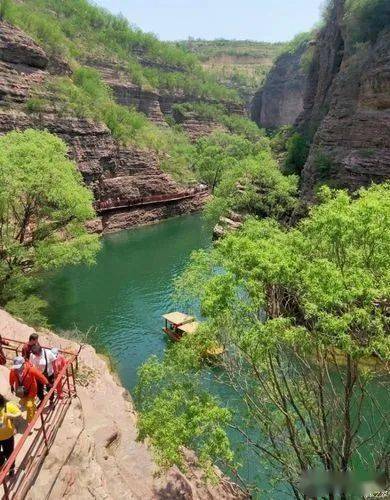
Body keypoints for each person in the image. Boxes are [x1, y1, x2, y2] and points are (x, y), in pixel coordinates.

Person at [9, 356, 49, 422]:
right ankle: (34, 407)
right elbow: (11, 377)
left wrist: (47, 383)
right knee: (25, 402)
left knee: (29, 405)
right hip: (21, 390)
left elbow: (40, 376)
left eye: (19, 367)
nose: (17, 369)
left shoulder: (31, 369)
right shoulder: (13, 370)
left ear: (23, 364)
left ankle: (30, 421)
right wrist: (11, 386)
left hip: (31, 389)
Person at [0, 394, 21, 476]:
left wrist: (10, 416)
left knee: (9, 454)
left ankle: (11, 468)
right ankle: (2, 461)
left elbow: (18, 413)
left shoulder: (8, 406)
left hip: (7, 437)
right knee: (4, 454)